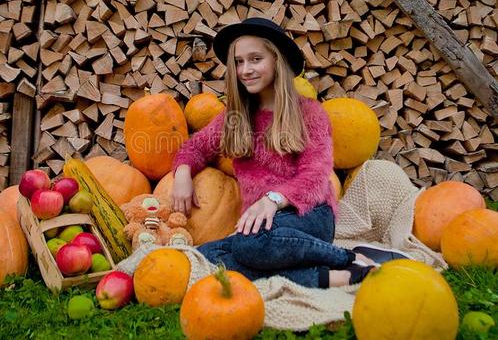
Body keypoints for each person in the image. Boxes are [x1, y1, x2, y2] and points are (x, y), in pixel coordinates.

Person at [170, 17, 405, 288]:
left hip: (308, 214)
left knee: (249, 244)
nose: (245, 70)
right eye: (239, 62)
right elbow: (195, 147)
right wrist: (183, 173)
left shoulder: (309, 114)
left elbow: (315, 178)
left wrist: (272, 200)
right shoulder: (234, 118)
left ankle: (346, 257)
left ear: (276, 61)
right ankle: (334, 276)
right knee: (207, 256)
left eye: (255, 59)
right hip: (263, 226)